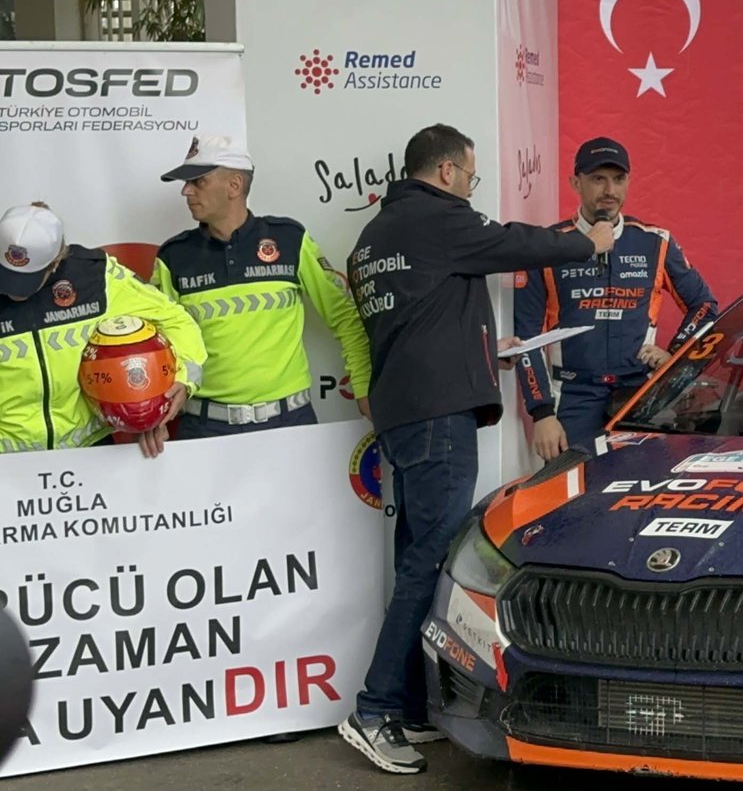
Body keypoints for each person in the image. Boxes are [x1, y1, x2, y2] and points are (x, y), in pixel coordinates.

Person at [340, 124, 608, 775]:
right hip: (437, 419)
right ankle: (375, 710)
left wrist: (488, 351)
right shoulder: (437, 217)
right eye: (470, 176)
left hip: (404, 416)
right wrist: (586, 242)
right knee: (429, 560)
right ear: (447, 172)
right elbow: (515, 242)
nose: (469, 188)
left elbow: (422, 318)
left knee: (417, 557)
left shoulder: (373, 236)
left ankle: (407, 704)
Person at [152, 133, 373, 446]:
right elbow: (156, 346)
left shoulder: (290, 240)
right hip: (204, 428)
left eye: (198, 182)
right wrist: (154, 415)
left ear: (234, 185)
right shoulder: (173, 256)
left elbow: (345, 318)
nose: (186, 190)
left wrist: (363, 387)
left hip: (288, 423)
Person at [515, 137, 718, 461]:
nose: (609, 190)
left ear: (628, 182)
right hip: (572, 397)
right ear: (575, 183)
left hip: (638, 395)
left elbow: (705, 306)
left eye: (618, 179)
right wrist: (541, 413)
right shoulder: (549, 247)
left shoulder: (655, 242)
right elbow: (526, 337)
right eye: (598, 178)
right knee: (570, 489)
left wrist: (676, 354)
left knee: (639, 486)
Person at [0, 203, 206, 457]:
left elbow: (176, 321)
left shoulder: (96, 277)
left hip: (90, 454)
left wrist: (182, 381)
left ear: (55, 263)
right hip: (6, 461)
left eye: (26, 280)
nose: (13, 290)